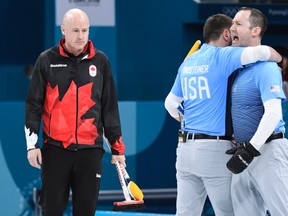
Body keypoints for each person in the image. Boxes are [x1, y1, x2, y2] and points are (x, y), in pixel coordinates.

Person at [164, 13, 282, 216]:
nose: (235, 30)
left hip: (185, 149)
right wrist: (280, 58)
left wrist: (187, 121)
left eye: (239, 24)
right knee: (230, 213)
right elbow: (261, 52)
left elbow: (170, 104)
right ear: (226, 34)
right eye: (233, 26)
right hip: (216, 149)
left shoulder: (188, 63)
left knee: (185, 213)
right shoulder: (222, 57)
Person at [24, 8, 126, 216]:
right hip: (55, 150)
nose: (81, 36)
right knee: (51, 211)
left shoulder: (101, 62)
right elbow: (33, 105)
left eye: (85, 30)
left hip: (90, 152)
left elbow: (109, 107)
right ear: (63, 30)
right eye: (76, 31)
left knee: (86, 212)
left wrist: (117, 148)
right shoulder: (46, 60)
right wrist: (31, 146)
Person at [226, 7, 288, 216]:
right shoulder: (239, 70)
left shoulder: (267, 68)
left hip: (268, 152)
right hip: (242, 155)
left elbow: (273, 113)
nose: (232, 27)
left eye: (238, 24)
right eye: (232, 23)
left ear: (255, 31)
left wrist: (250, 150)